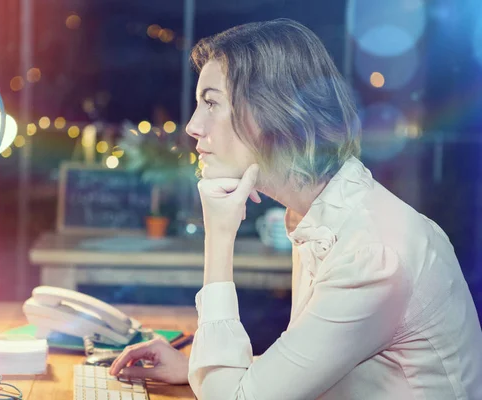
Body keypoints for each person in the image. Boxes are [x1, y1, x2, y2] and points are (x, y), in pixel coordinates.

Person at [109, 18, 482, 399]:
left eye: (211, 103)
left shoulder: (373, 254)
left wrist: (219, 236)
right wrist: (196, 369)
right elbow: (307, 366)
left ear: (273, 113)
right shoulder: (323, 215)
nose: (192, 125)